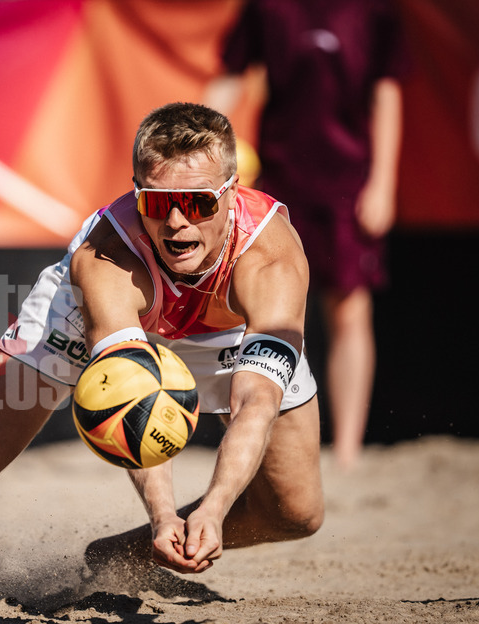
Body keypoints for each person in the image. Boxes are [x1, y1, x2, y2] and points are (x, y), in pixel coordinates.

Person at [0, 102, 323, 576]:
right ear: (136, 191)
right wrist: (162, 513)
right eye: (156, 202)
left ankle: (114, 557)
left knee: (294, 512)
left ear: (232, 194)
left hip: (225, 325)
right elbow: (129, 395)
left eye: (196, 202)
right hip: (108, 317)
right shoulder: (107, 257)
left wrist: (213, 510)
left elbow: (255, 402)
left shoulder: (272, 261)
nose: (176, 222)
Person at [207, 0, 408, 471]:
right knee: (262, 315)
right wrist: (185, 138)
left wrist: (383, 182)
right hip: (279, 181)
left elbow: (387, 92)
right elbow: (232, 76)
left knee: (350, 311)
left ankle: (348, 453)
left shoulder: (376, 10)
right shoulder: (266, 6)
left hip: (349, 183)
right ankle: (262, 444)